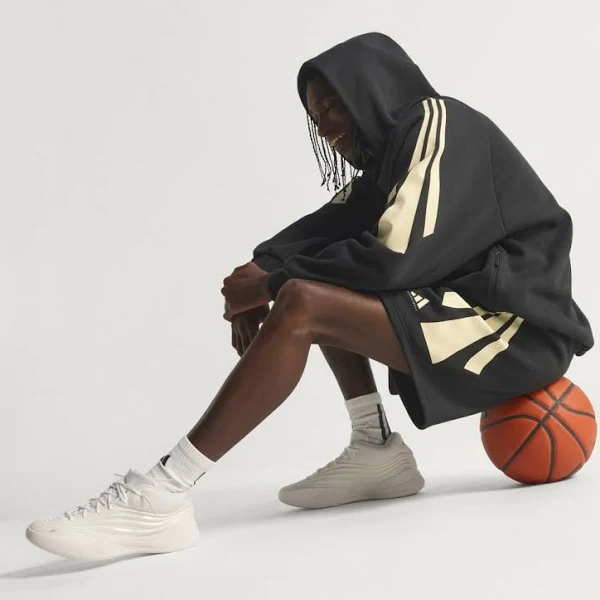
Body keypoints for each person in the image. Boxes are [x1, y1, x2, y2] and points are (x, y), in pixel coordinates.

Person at [25, 31, 593, 561]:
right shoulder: (391, 160)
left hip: (517, 332)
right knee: (316, 282)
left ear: (371, 90)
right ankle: (375, 449)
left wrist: (272, 285)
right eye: (315, 119)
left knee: (306, 299)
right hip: (476, 318)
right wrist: (260, 267)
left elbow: (393, 256)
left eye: (332, 108)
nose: (325, 129)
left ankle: (164, 492)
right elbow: (327, 225)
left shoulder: (438, 122)